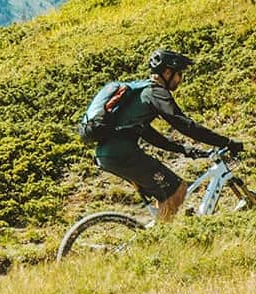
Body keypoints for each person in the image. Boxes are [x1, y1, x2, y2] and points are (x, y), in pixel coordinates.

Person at [95, 49, 245, 223]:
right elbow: (185, 125)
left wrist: (184, 150)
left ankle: (161, 234)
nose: (180, 79)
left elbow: (150, 135)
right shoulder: (156, 93)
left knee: (166, 196)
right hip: (122, 154)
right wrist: (226, 142)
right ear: (167, 72)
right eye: (179, 74)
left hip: (108, 154)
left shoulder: (143, 94)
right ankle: (160, 243)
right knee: (178, 190)